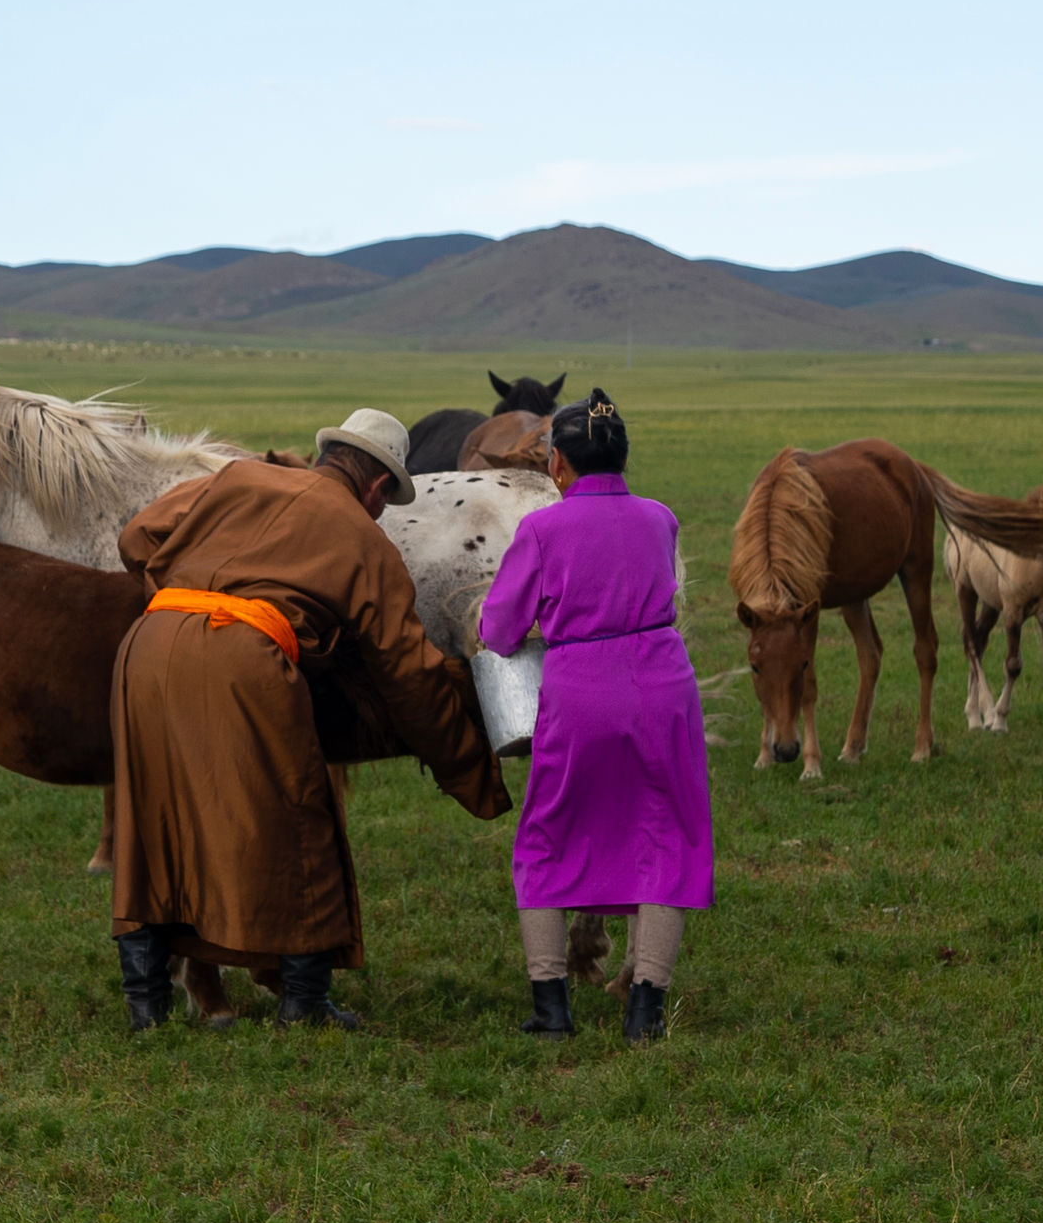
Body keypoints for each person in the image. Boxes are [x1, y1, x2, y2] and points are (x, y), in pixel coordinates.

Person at [108, 407, 509, 1031]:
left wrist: (183, 590)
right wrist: (467, 767)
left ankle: (145, 1003)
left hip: (148, 645)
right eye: (385, 501)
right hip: (241, 657)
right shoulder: (360, 534)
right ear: (377, 486)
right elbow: (408, 672)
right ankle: (304, 1001)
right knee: (302, 818)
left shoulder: (236, 477)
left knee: (154, 817)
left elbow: (136, 536)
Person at [474, 389, 711, 1042]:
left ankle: (552, 1008)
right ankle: (646, 1008)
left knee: (546, 839)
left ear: (558, 466)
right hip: (665, 686)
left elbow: (499, 630)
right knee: (666, 838)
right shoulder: (661, 518)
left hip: (579, 690)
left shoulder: (542, 530)